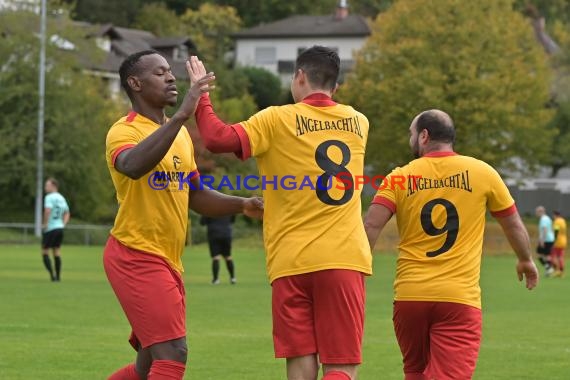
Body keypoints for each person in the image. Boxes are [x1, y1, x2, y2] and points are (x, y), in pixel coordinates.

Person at [189, 46, 372, 380]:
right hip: (343, 258)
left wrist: (201, 94)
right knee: (341, 364)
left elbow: (216, 138)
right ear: (336, 86)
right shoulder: (358, 122)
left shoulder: (276, 118)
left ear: (299, 77)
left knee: (301, 365)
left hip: (290, 262)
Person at [104, 50, 263, 380]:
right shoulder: (123, 131)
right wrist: (180, 117)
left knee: (148, 364)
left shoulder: (179, 138)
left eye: (170, 71)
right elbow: (132, 166)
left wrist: (241, 204)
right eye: (160, 73)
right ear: (135, 83)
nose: (171, 77)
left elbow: (195, 194)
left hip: (169, 260)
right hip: (136, 255)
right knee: (173, 352)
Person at [363, 110, 539, 380]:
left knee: (416, 373)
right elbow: (513, 223)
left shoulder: (399, 177)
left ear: (424, 136)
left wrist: (356, 270)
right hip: (458, 299)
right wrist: (525, 259)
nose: (410, 139)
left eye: (411, 134)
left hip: (410, 297)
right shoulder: (483, 173)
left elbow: (371, 226)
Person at [41, 177, 70, 282]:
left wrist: (45, 224)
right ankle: (58, 277)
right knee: (56, 251)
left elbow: (48, 210)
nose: (45, 188)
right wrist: (63, 224)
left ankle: (52, 275)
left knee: (45, 252)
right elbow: (67, 212)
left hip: (51, 228)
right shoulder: (62, 198)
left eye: (47, 185)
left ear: (53, 186)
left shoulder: (49, 197)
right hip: (59, 228)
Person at [199, 215, 236, 284]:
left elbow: (202, 222)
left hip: (214, 234)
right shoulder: (228, 207)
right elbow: (232, 220)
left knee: (216, 257)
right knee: (228, 256)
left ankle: (216, 280)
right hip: (226, 234)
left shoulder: (209, 209)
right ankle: (233, 278)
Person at [535, 205, 555, 277]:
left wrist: (542, 240)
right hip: (550, 239)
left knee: (540, 255)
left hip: (546, 239)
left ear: (540, 212)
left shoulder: (543, 219)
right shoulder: (548, 218)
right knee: (546, 255)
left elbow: (545, 230)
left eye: (536, 212)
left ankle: (549, 268)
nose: (536, 213)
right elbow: (551, 228)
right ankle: (549, 269)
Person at [552, 210, 566, 277]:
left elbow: (556, 231)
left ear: (555, 215)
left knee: (553, 256)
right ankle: (561, 271)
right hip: (563, 240)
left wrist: (553, 239)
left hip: (557, 241)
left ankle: (557, 271)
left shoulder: (557, 221)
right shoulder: (563, 220)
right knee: (560, 256)